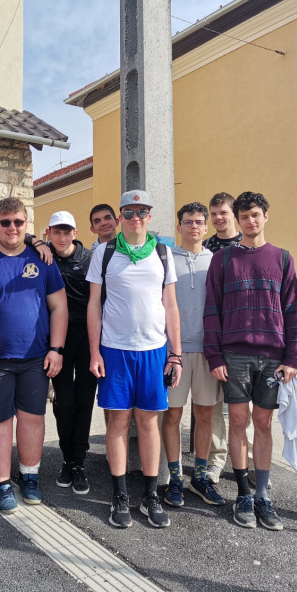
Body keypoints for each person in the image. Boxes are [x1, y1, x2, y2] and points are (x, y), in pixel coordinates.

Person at [203, 191, 297, 531]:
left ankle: (262, 495)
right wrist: (214, 355)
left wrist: (293, 356)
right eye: (243, 216)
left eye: (255, 214)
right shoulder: (223, 260)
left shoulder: (282, 258)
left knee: (263, 423)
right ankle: (243, 494)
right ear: (237, 219)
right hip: (235, 354)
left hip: (273, 356)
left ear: (265, 216)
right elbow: (212, 310)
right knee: (238, 421)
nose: (250, 221)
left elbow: (293, 310)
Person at [88, 190, 182, 529]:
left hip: (154, 350)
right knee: (117, 421)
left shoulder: (162, 252)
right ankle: (120, 495)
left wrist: (176, 354)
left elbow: (171, 306)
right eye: (129, 212)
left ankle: (151, 494)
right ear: (120, 217)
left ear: (149, 216)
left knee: (148, 422)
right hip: (115, 349)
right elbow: (93, 305)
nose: (135, 217)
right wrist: (95, 351)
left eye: (141, 211)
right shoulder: (105, 252)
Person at [0, 197, 68, 513]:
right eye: (5, 222)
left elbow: (59, 306)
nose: (12, 228)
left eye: (18, 222)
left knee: (32, 419)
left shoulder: (42, 258)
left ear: (26, 224)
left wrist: (56, 349)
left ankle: (29, 477)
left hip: (35, 357)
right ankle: (2, 483)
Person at [161, 202, 225, 508]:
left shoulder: (217, 261)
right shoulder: (165, 258)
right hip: (174, 351)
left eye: (200, 222)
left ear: (206, 227)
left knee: (205, 415)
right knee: (172, 415)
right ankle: (175, 478)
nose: (194, 226)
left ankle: (199, 476)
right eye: (188, 222)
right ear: (179, 227)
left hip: (208, 350)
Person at [201, 192, 256, 487]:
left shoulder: (247, 245)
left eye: (223, 212)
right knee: (214, 407)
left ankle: (251, 462)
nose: (218, 218)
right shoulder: (206, 248)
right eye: (214, 214)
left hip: (244, 337)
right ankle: (216, 460)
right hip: (214, 334)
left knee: (248, 408)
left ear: (233, 214)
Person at [46, 211, 96, 494]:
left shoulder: (90, 259)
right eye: (57, 232)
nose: (62, 237)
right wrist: (34, 241)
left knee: (84, 402)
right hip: (57, 340)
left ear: (75, 233)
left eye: (67, 232)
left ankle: (79, 463)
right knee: (64, 403)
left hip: (87, 340)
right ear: (49, 233)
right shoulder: (42, 255)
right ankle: (67, 459)